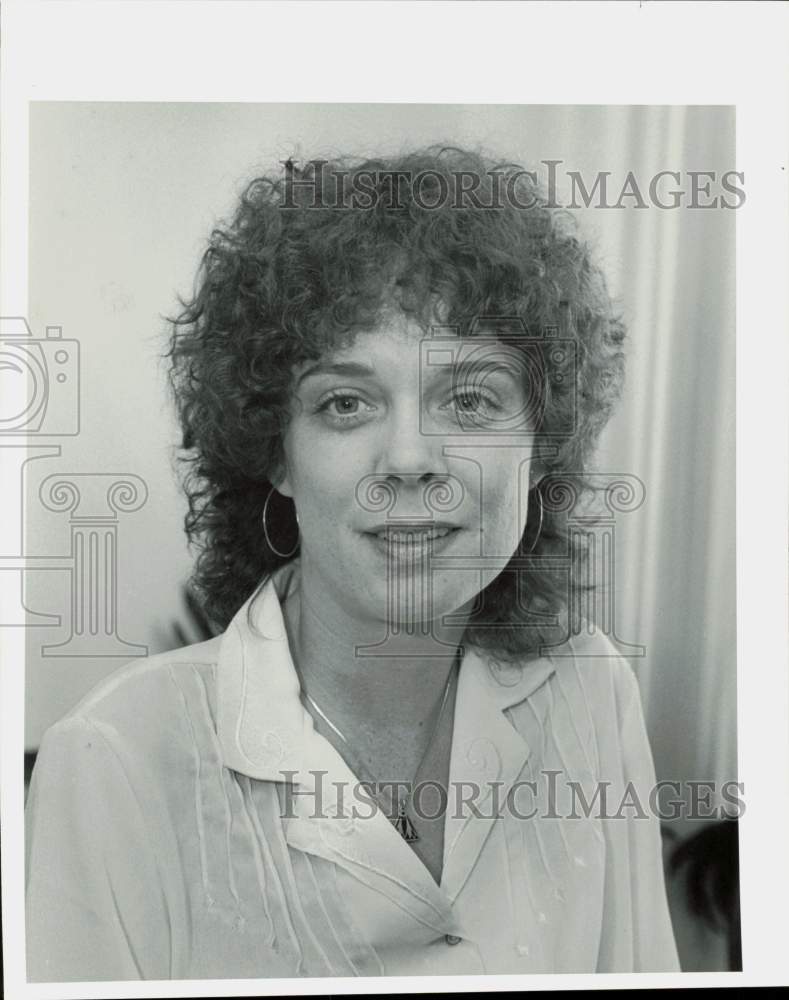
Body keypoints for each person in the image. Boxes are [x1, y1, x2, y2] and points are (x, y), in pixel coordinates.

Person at [25, 147, 681, 980]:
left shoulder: (587, 685)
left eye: (470, 399)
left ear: (542, 444)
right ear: (277, 455)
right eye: (345, 403)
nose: (408, 457)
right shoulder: (115, 763)